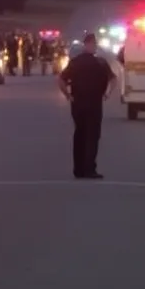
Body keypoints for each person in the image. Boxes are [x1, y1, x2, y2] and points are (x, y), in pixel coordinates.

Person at [59, 32, 115, 179]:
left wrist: (67, 95)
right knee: (92, 136)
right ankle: (89, 168)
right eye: (94, 44)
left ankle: (78, 169)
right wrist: (107, 94)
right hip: (94, 103)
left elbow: (61, 79)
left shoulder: (75, 62)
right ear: (90, 45)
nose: (94, 46)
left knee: (80, 134)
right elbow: (113, 79)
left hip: (77, 103)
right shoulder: (100, 63)